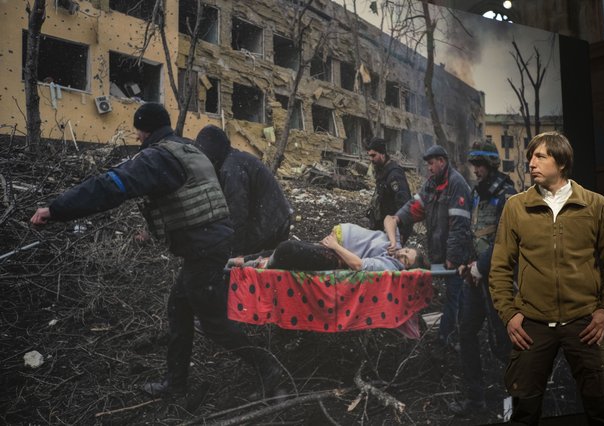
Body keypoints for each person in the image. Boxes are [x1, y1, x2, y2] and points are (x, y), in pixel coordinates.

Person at [30, 103, 282, 398]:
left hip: (203, 248)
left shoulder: (157, 157)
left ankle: (269, 367)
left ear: (145, 130)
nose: (136, 137)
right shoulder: (187, 149)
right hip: (211, 243)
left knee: (213, 323)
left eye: (138, 130)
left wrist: (56, 210)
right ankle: (175, 385)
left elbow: (109, 186)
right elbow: (185, 196)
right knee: (179, 309)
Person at [489, 131, 604, 425]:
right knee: (524, 412)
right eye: (530, 157)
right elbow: (500, 266)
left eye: (540, 156)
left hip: (585, 321)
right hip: (533, 323)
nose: (531, 163)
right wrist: (510, 314)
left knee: (601, 410)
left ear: (562, 162)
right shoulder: (516, 206)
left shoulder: (595, 205)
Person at [448, 139, 517, 415]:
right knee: (466, 332)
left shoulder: (508, 195)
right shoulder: (477, 194)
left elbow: (505, 241)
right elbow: (471, 230)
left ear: (490, 164)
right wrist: (467, 264)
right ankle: (475, 400)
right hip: (475, 278)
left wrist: (481, 267)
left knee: (504, 344)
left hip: (500, 280)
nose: (475, 169)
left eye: (479, 165)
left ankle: (516, 405)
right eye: (473, 164)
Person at [386, 144, 472, 346]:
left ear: (442, 162)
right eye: (428, 165)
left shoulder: (457, 185)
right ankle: (454, 330)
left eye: (432, 164)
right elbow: (415, 206)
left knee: (454, 296)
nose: (429, 168)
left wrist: (452, 258)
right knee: (453, 296)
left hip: (456, 254)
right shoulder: (432, 184)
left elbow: (459, 228)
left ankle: (447, 339)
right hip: (438, 251)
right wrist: (397, 219)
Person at [195, 125, 293, 256]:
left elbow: (237, 213)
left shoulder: (231, 169)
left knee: (245, 264)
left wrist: (236, 254)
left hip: (270, 222)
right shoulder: (234, 159)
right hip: (276, 217)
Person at [232, 222, 427, 272]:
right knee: (282, 249)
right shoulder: (396, 246)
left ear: (405, 268)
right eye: (407, 251)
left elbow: (358, 265)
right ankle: (243, 261)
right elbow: (389, 219)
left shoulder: (390, 266)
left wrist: (335, 246)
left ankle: (261, 266)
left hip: (337, 255)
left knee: (287, 249)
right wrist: (393, 240)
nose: (401, 254)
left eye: (405, 260)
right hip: (334, 245)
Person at [365, 137, 413, 244]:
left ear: (382, 154)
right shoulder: (382, 171)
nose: (371, 159)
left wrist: (401, 232)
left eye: (373, 155)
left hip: (393, 229)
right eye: (369, 156)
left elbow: (404, 204)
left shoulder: (394, 174)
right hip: (382, 227)